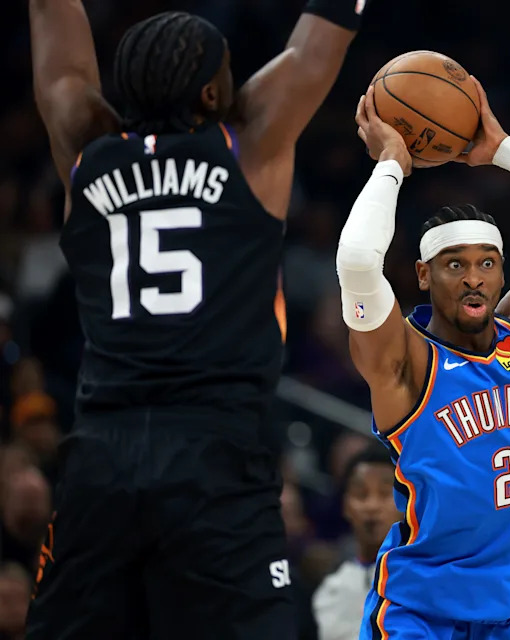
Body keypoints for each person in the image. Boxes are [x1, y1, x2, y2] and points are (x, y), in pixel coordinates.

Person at [26, 0, 368, 638]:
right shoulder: (248, 147)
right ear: (213, 90)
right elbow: (318, 47)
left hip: (102, 452)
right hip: (215, 449)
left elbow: (54, 24)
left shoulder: (83, 147)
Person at [339, 79, 510, 638]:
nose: (474, 278)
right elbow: (358, 260)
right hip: (420, 615)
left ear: (502, 272)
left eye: (486, 263)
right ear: (424, 275)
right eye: (455, 265)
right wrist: (392, 165)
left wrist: (506, 151)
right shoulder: (405, 358)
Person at [312, 444, 399, 640]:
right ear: (345, 505)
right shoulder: (330, 591)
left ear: (407, 503)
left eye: (385, 493)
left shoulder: (431, 578)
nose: (372, 506)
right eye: (361, 495)